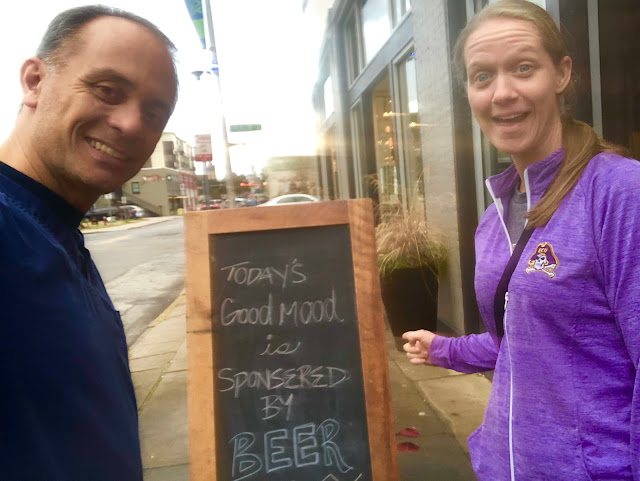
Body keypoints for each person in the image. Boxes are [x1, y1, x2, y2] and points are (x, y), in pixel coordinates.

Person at [403, 1, 640, 479]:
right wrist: (445, 349)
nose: (503, 93)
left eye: (524, 68)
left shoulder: (619, 192)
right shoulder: (494, 217)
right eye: (482, 76)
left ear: (562, 73)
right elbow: (522, 341)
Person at [0, 6, 178, 480]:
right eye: (107, 90)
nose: (131, 124)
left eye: (154, 112)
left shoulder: (57, 233)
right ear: (34, 81)